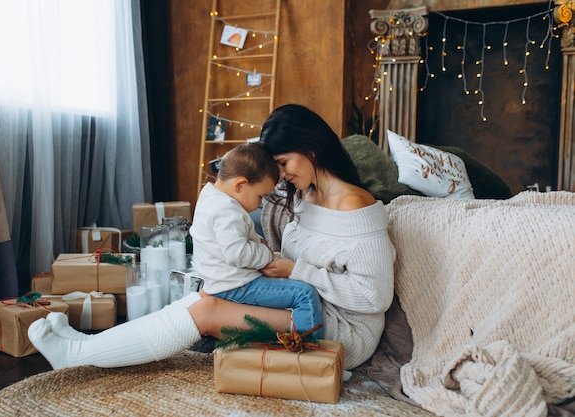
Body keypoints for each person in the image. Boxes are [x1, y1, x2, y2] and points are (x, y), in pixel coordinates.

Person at [28, 104, 395, 372]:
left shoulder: (353, 206)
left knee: (206, 311)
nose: (280, 177)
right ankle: (83, 346)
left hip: (341, 328)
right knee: (200, 298)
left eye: (283, 163)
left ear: (310, 148)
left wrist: (296, 270)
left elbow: (374, 296)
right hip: (305, 303)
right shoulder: (305, 194)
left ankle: (77, 356)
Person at [190, 142, 324, 339]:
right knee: (304, 294)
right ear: (240, 185)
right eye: (260, 196)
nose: (260, 203)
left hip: (222, 282)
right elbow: (238, 254)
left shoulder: (210, 196)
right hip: (235, 286)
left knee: (290, 288)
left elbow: (240, 238)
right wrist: (266, 254)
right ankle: (314, 359)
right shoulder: (226, 210)